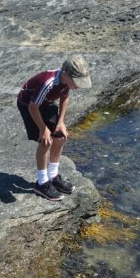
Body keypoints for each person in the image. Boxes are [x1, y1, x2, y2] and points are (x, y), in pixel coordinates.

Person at [16, 55, 92, 201]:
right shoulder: (48, 83)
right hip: (28, 105)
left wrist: (61, 122)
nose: (78, 86)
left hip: (45, 103)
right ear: (65, 74)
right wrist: (43, 129)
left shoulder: (65, 81)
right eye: (76, 82)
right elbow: (33, 107)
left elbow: (64, 97)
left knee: (60, 135)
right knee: (46, 141)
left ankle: (53, 175)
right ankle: (42, 183)